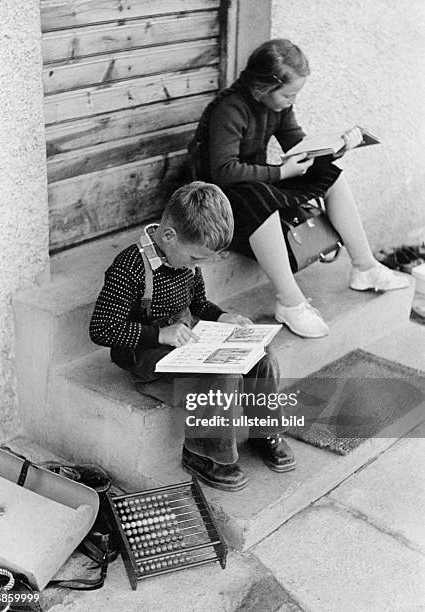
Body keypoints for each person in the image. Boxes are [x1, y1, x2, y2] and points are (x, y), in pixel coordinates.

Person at [189, 39, 408, 338]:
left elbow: (298, 145)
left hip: (253, 184)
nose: (291, 101)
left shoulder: (276, 107)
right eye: (288, 94)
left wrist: (337, 147)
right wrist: (280, 171)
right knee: (258, 200)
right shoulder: (230, 109)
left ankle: (365, 267)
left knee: (329, 174)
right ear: (264, 86)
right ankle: (290, 303)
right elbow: (224, 172)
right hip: (217, 199)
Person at [89, 182, 296, 492]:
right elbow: (102, 328)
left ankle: (264, 431)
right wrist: (159, 334)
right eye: (196, 259)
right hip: (151, 361)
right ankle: (203, 453)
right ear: (170, 236)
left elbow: (198, 304)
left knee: (261, 356)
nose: (198, 267)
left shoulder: (184, 260)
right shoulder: (129, 268)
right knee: (222, 376)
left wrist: (223, 317)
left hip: (186, 346)